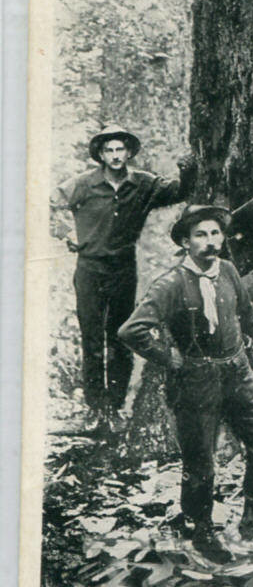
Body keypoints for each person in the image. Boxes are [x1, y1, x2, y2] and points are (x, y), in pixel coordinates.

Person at [118, 204, 253, 563]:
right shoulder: (170, 284)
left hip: (238, 372)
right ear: (185, 241)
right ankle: (201, 530)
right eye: (200, 234)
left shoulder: (228, 271)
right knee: (200, 464)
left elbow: (247, 314)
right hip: (195, 382)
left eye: (215, 233)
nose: (210, 241)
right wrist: (169, 358)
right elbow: (131, 330)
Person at [50, 124, 197, 433]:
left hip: (122, 268)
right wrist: (66, 233)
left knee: (120, 336)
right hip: (89, 268)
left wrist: (188, 171)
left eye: (120, 149)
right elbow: (50, 204)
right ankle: (95, 411)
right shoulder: (84, 184)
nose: (115, 156)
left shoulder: (142, 184)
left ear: (129, 152)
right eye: (109, 150)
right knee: (91, 338)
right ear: (101, 155)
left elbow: (178, 191)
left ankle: (115, 409)